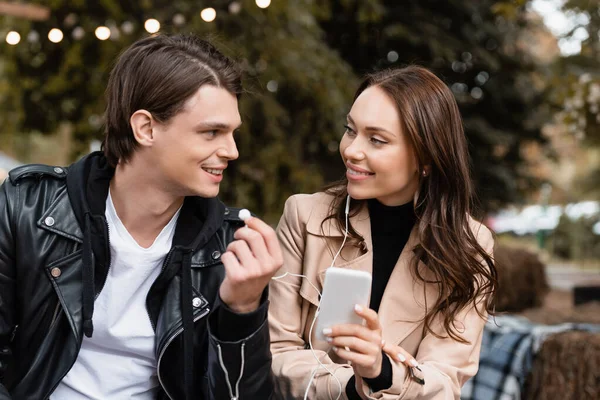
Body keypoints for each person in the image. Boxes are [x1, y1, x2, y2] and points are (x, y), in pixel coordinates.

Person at [0, 34, 281, 400]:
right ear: (146, 128)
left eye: (232, 133)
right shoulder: (27, 207)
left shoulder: (229, 249)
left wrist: (242, 310)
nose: (232, 151)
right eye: (211, 132)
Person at [269, 66, 497, 399]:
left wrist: (381, 372)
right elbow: (275, 353)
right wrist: (351, 385)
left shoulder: (470, 244)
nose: (351, 150)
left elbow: (445, 381)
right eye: (350, 130)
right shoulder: (304, 217)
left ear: (426, 158)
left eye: (377, 140)